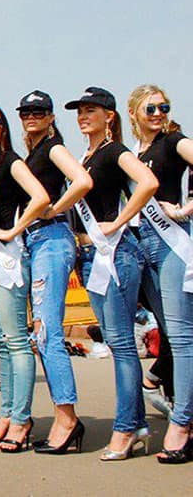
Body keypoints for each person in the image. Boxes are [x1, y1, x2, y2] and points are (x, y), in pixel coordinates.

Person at [66, 87, 157, 460]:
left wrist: (118, 221)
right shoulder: (86, 156)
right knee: (115, 342)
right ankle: (133, 422)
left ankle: (128, 426)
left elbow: (148, 184)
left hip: (114, 253)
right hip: (92, 257)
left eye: (92, 110)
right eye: (80, 111)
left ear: (110, 116)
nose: (84, 116)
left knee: (120, 346)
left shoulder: (114, 152)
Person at [14, 90, 93, 454]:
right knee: (42, 332)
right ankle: (64, 415)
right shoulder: (34, 151)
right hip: (37, 241)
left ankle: (67, 419)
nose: (31, 116)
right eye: (26, 111)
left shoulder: (53, 147)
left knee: (48, 333)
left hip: (51, 238)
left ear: (50, 116)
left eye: (39, 111)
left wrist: (54, 209)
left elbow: (81, 181)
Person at [0, 103, 49, 453]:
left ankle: (21, 419)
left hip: (7, 257)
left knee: (16, 342)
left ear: (4, 129)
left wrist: (14, 228)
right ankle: (7, 414)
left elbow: (41, 197)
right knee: (0, 342)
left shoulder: (11, 161)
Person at [127, 84, 193, 463]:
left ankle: (182, 423)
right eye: (150, 108)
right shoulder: (138, 152)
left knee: (182, 338)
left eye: (163, 107)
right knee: (169, 334)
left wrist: (185, 210)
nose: (157, 113)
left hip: (171, 242)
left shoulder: (173, 142)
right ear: (134, 112)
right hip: (143, 241)